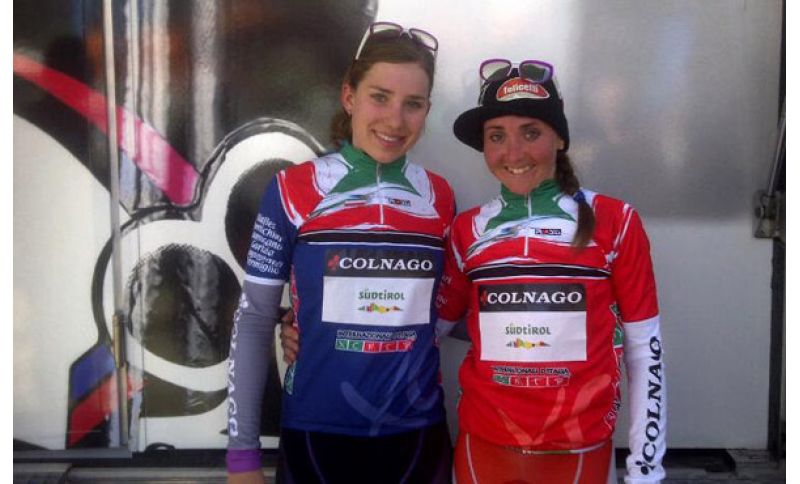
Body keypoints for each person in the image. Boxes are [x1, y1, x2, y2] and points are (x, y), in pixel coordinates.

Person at [226, 22, 455, 484]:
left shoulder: (440, 197)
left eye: (413, 104)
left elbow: (451, 311)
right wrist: (242, 456)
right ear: (349, 96)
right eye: (380, 97)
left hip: (417, 436)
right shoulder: (293, 189)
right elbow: (254, 318)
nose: (395, 120)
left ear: (427, 110)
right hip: (316, 436)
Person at [435, 59, 667, 483]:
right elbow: (428, 332)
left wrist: (646, 469)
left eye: (531, 133)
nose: (514, 153)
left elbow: (645, 348)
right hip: (481, 449)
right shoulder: (466, 230)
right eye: (497, 136)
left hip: (578, 453)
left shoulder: (615, 221)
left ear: (559, 137)